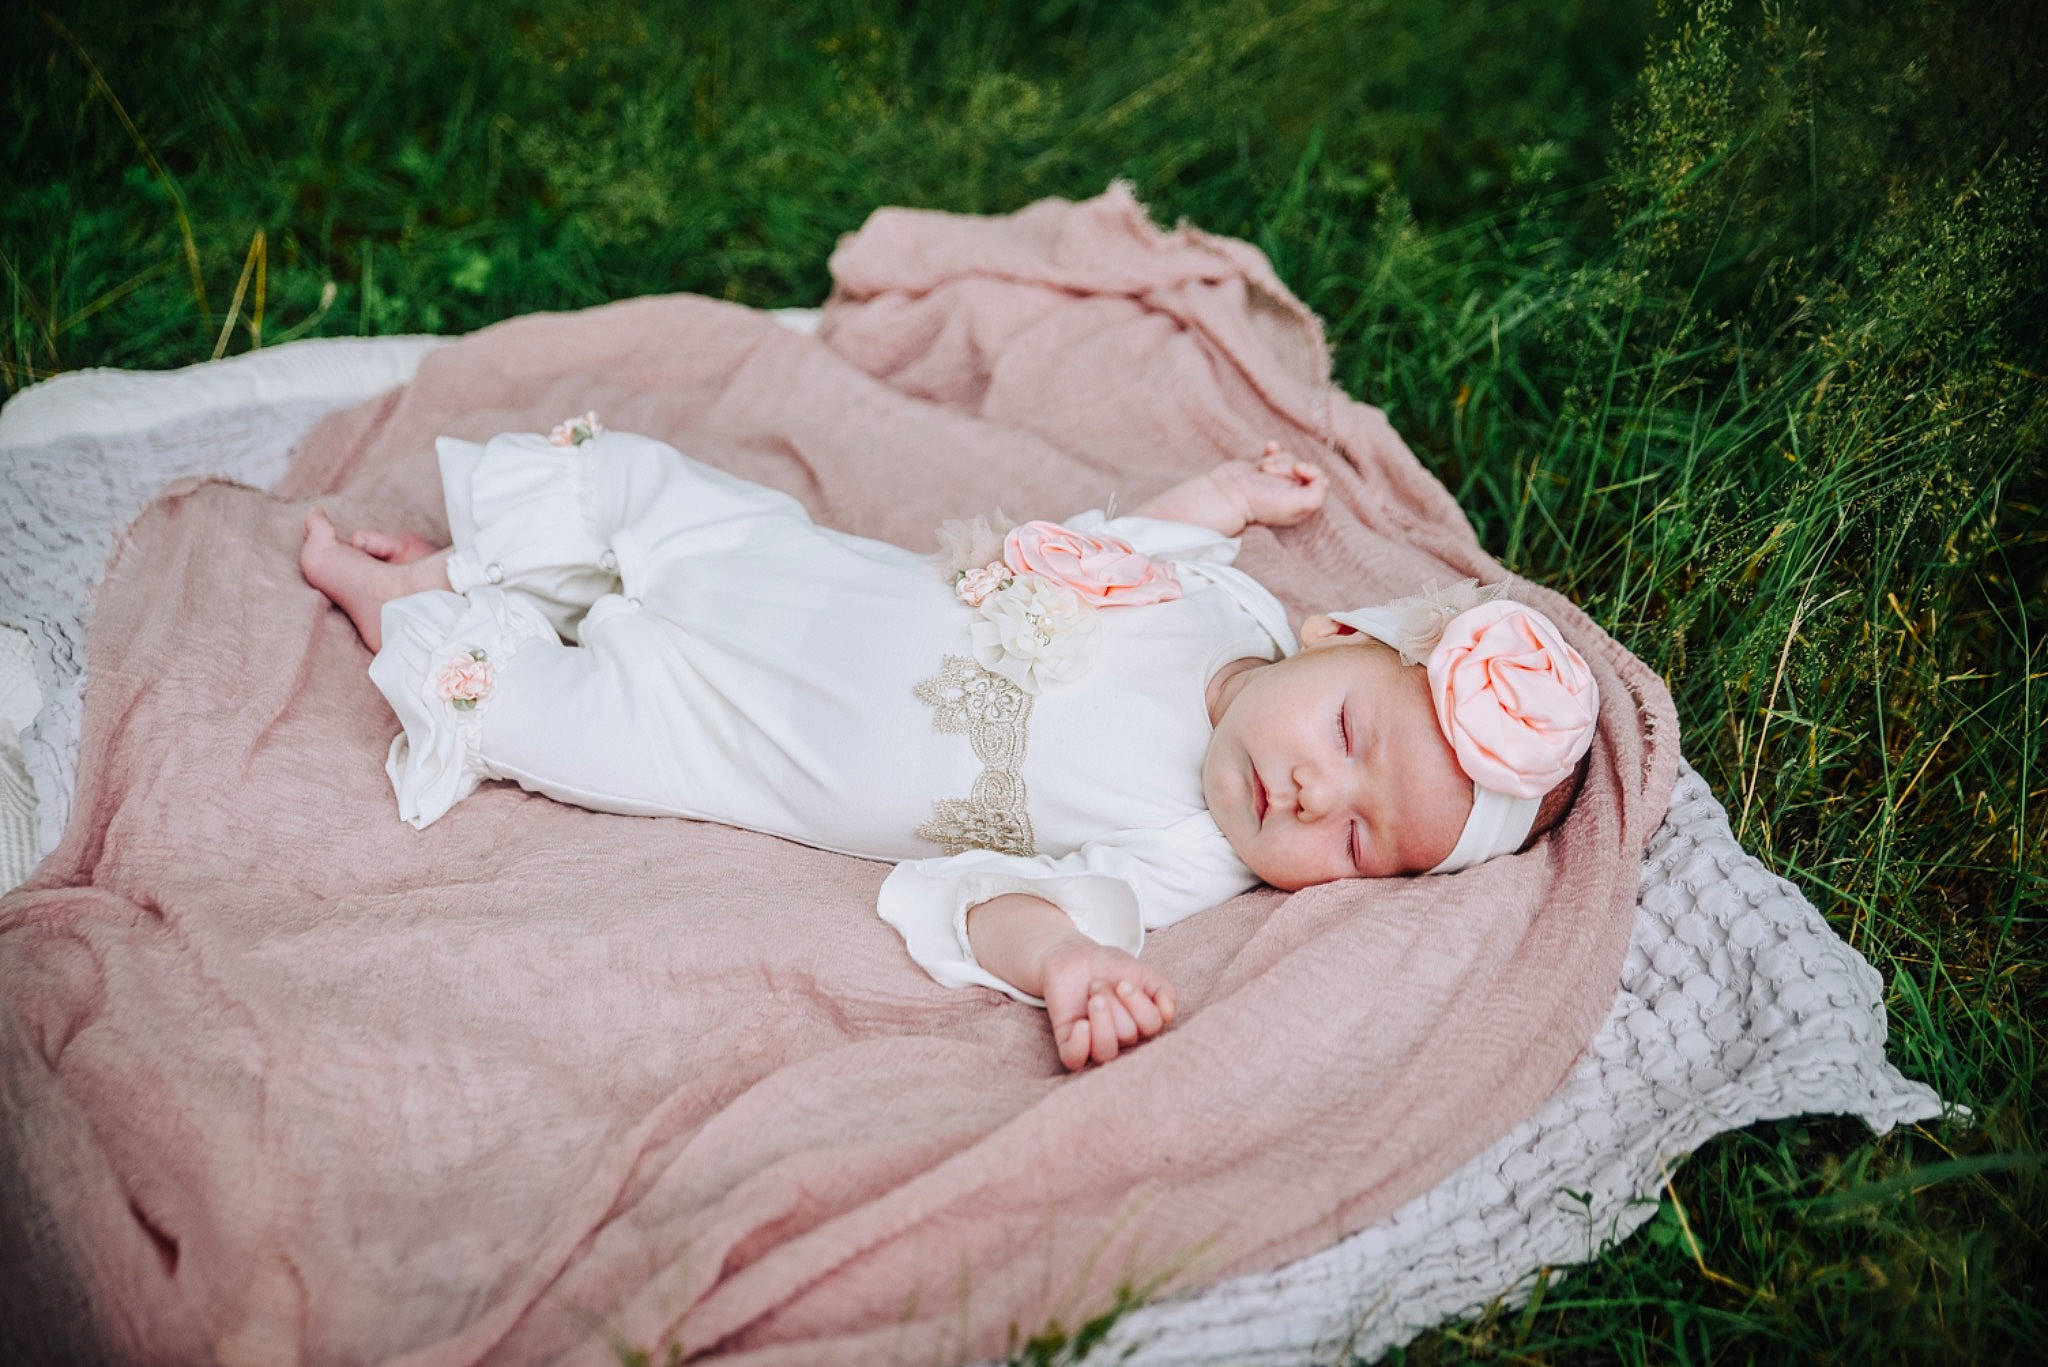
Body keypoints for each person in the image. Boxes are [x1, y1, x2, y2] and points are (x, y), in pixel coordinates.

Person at [300, 416, 1598, 1071]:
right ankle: (509, 551)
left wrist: (1076, 962)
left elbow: (997, 901)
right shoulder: (1231, 604)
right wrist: (1236, 497)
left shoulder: (1197, 850)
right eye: (1349, 733)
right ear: (1325, 636)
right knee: (658, 495)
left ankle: (415, 609)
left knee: (562, 726)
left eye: (1360, 837)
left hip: (741, 745)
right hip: (795, 574)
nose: (1317, 792)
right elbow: (1139, 547)